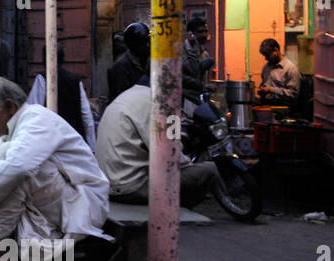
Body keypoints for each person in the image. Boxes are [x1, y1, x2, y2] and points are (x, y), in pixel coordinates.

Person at [0, 76, 112, 245]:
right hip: (61, 202)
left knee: (9, 158)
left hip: (82, 205)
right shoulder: (14, 129)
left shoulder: (37, 119)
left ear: (10, 106)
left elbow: (19, 165)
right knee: (6, 165)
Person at [95, 79, 238, 212]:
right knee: (209, 169)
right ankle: (177, 210)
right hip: (130, 188)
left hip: (109, 184)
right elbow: (171, 154)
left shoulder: (128, 95)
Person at [27, 44, 96, 150]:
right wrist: (92, 147)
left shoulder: (42, 79)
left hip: (50, 141)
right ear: (63, 59)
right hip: (73, 140)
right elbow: (87, 116)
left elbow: (33, 112)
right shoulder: (75, 80)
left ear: (44, 59)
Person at [107, 22, 149, 105]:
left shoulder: (147, 60)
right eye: (144, 43)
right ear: (135, 45)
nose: (148, 46)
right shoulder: (121, 66)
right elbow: (121, 98)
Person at [257, 38, 300, 103]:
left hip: (282, 107)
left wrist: (271, 90)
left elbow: (293, 94)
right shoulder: (266, 67)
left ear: (276, 50)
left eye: (268, 55)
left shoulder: (290, 69)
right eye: (265, 56)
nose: (266, 58)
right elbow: (264, 84)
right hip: (266, 104)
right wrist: (262, 90)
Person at [182, 16, 214, 100]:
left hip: (199, 97)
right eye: (200, 32)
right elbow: (191, 71)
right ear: (191, 34)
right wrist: (202, 85)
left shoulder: (204, 52)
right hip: (186, 97)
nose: (204, 35)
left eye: (206, 31)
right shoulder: (182, 51)